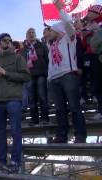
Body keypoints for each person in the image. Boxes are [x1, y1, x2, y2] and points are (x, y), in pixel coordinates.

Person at [0, 33, 30, 173]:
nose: (8, 42)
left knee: (15, 131)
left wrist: (6, 73)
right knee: (0, 133)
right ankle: (0, 161)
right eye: (5, 40)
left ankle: (15, 162)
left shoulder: (18, 57)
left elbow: (26, 76)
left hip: (13, 99)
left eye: (10, 41)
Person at [47, 1, 87, 143]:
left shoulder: (69, 39)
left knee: (74, 107)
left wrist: (60, 9)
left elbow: (68, 24)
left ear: (59, 31)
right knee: (59, 109)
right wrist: (49, 78)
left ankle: (80, 135)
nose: (48, 33)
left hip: (68, 75)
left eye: (51, 30)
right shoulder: (50, 46)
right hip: (54, 79)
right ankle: (62, 135)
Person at [21, 28, 50, 125]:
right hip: (29, 76)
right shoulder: (23, 50)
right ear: (26, 36)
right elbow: (22, 64)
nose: (31, 34)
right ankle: (34, 119)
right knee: (32, 99)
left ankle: (45, 118)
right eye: (29, 33)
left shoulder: (42, 46)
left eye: (33, 32)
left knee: (42, 96)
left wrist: (47, 71)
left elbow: (48, 59)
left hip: (41, 73)